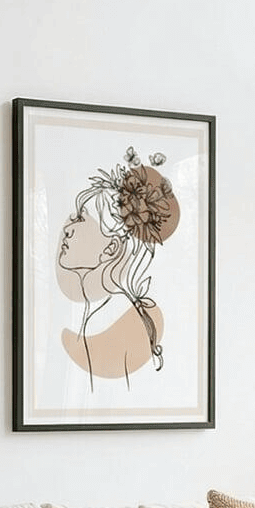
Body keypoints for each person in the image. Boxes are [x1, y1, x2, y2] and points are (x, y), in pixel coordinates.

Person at [54, 147, 179, 390]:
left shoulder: (122, 325)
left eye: (80, 220)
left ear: (111, 247)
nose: (66, 230)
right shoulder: (96, 312)